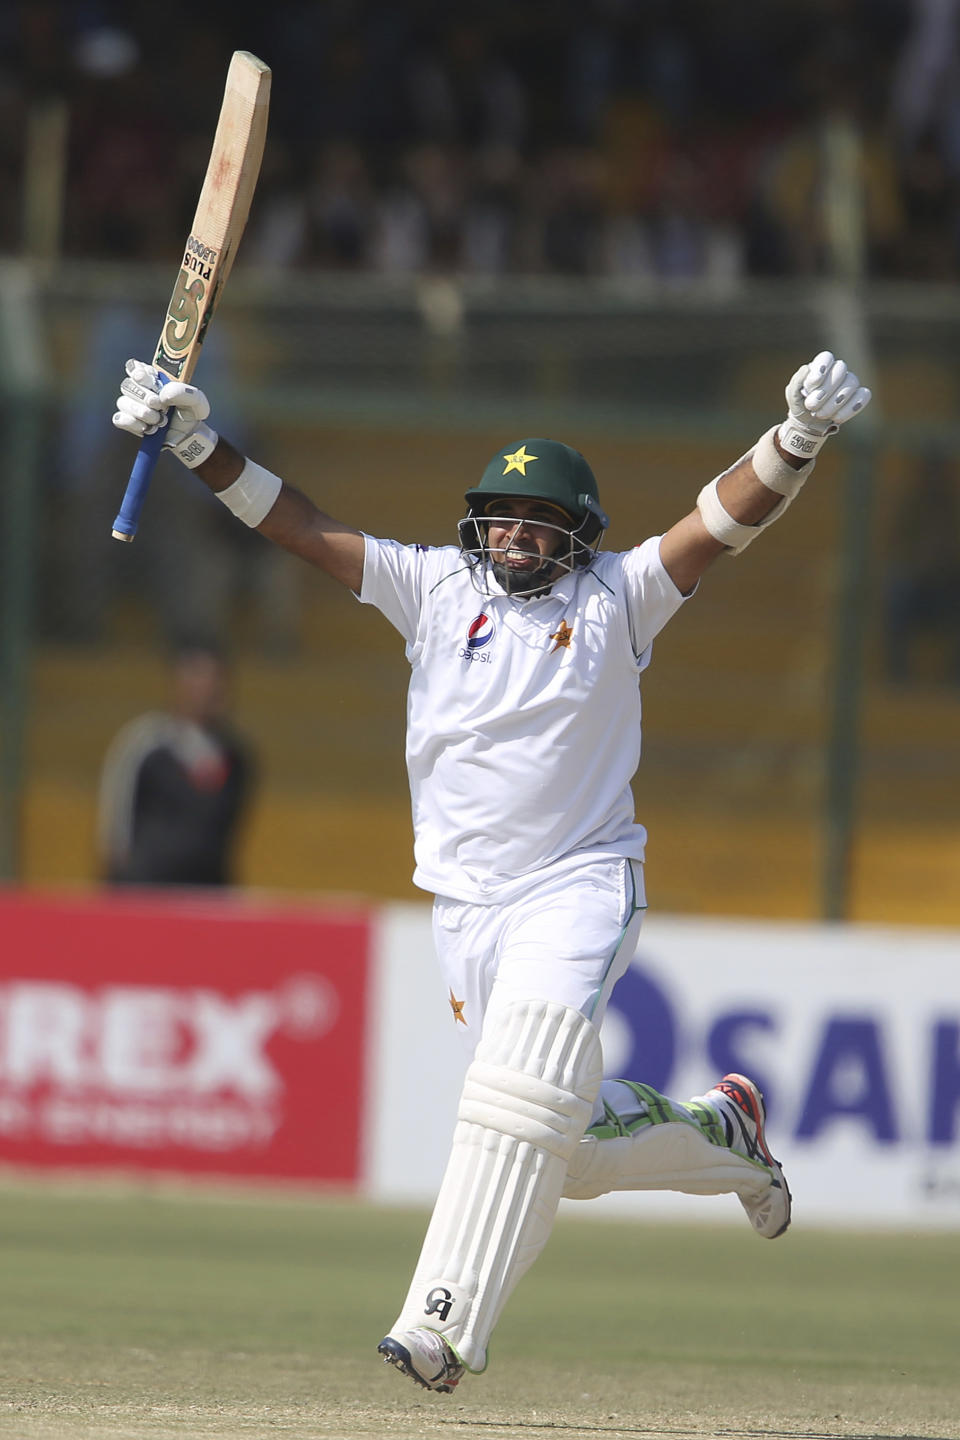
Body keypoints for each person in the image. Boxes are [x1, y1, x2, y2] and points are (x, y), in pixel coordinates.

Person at [111, 347, 871, 1391]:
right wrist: (198, 444)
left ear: (576, 532)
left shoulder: (617, 597)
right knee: (561, 1144)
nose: (513, 531)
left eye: (536, 517)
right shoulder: (433, 583)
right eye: (500, 513)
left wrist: (795, 441)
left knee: (513, 1102)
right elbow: (301, 525)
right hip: (465, 909)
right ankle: (723, 1133)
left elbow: (718, 524)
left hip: (581, 883)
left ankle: (443, 1323)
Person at [97, 639, 254, 887]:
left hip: (208, 891)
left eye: (216, 677)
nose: (208, 687)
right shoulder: (145, 742)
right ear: (177, 681)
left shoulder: (236, 757)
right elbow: (117, 825)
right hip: (148, 889)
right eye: (197, 675)